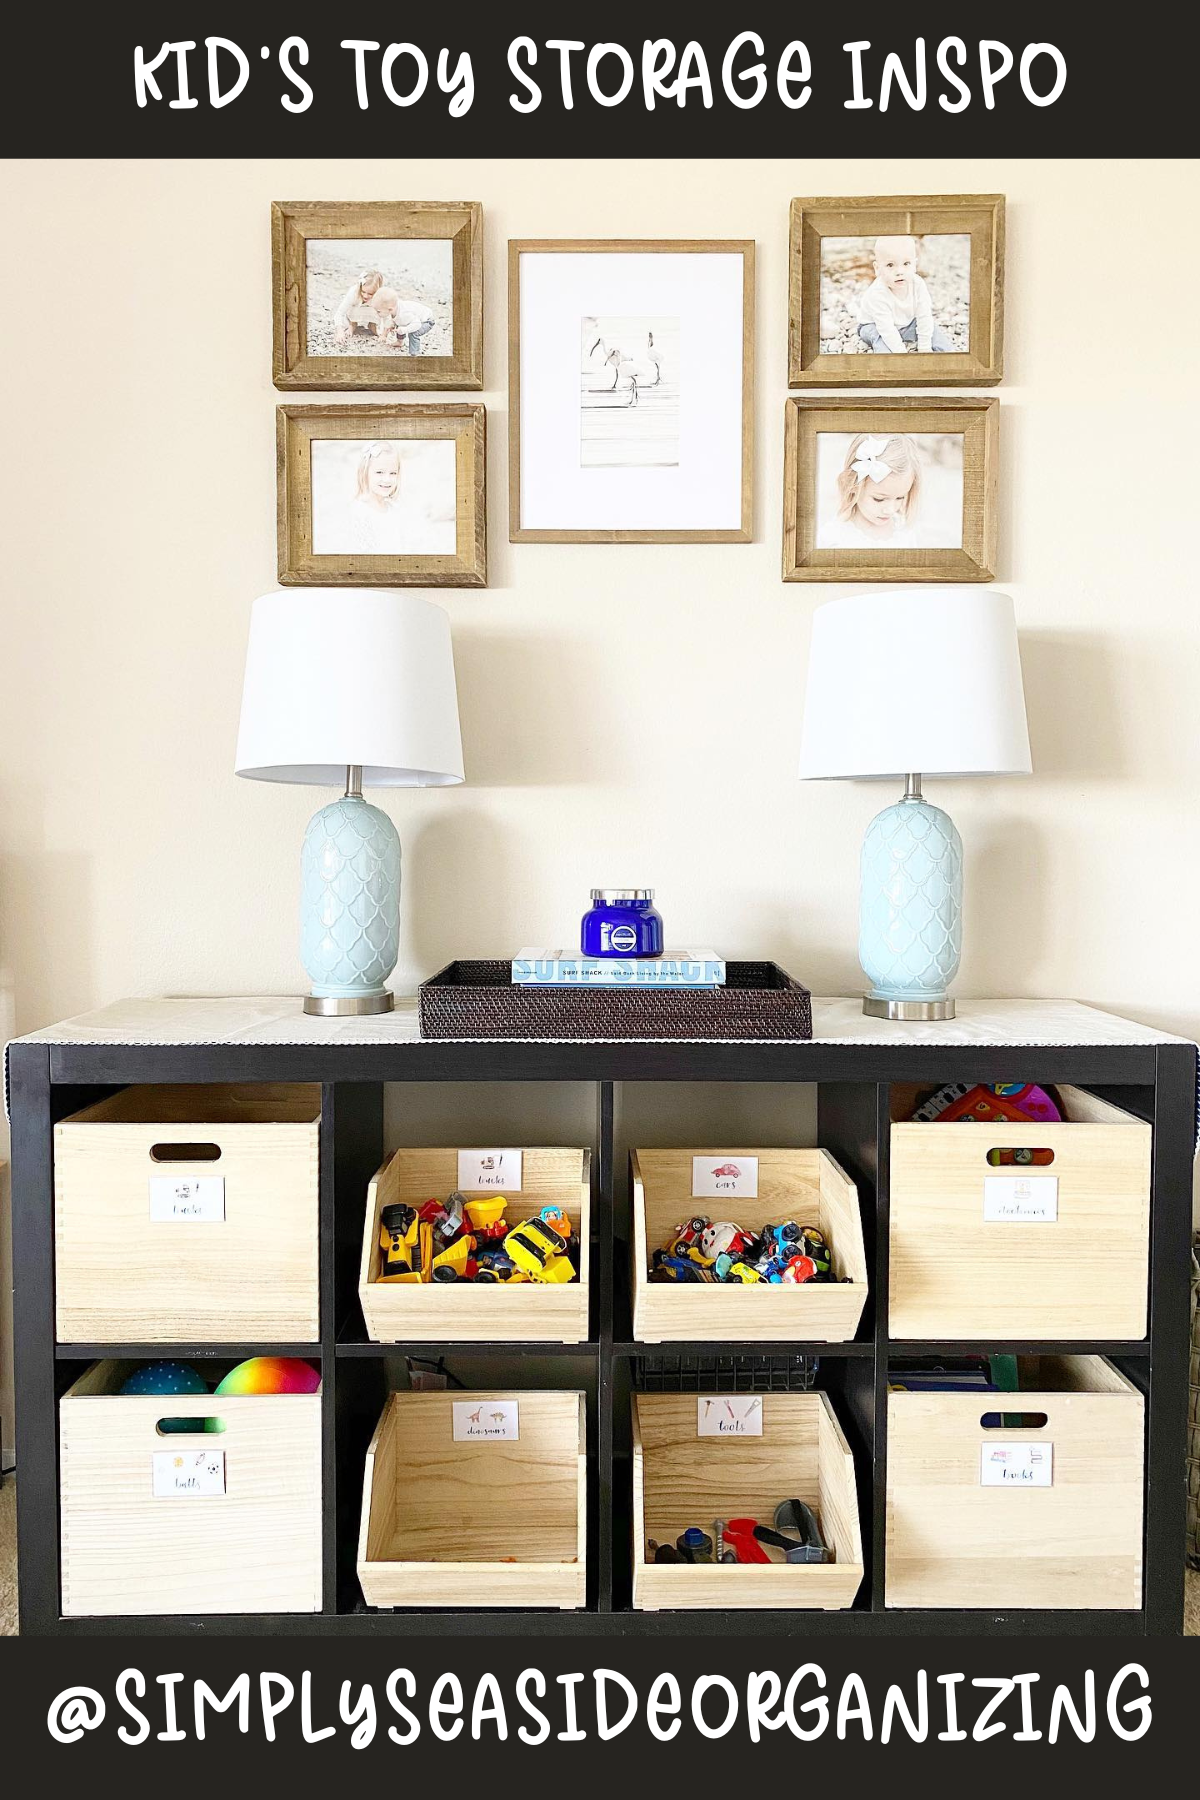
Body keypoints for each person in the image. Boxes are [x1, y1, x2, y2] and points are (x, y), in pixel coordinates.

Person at [855, 236, 953, 353]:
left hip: (906, 325)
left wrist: (925, 348)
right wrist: (901, 353)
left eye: (906, 263)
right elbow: (886, 329)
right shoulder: (877, 293)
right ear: (877, 268)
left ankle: (947, 357)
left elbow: (924, 316)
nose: (900, 272)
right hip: (873, 325)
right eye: (890, 265)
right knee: (881, 340)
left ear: (915, 265)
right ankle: (892, 366)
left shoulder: (918, 285)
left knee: (932, 329)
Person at [369, 286, 436, 355]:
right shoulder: (393, 308)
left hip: (426, 321)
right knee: (398, 323)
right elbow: (389, 323)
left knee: (413, 333)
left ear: (390, 309)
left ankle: (414, 353)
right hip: (415, 319)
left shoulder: (403, 314)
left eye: (378, 311)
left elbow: (417, 324)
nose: (377, 313)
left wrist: (404, 330)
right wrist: (384, 335)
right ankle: (399, 342)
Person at [333, 269, 385, 343]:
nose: (365, 296)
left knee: (379, 309)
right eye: (363, 291)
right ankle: (352, 324)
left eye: (370, 294)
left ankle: (372, 324)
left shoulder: (380, 295)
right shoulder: (353, 292)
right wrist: (340, 331)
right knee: (354, 306)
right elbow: (339, 313)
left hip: (371, 309)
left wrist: (384, 332)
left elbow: (385, 315)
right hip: (354, 310)